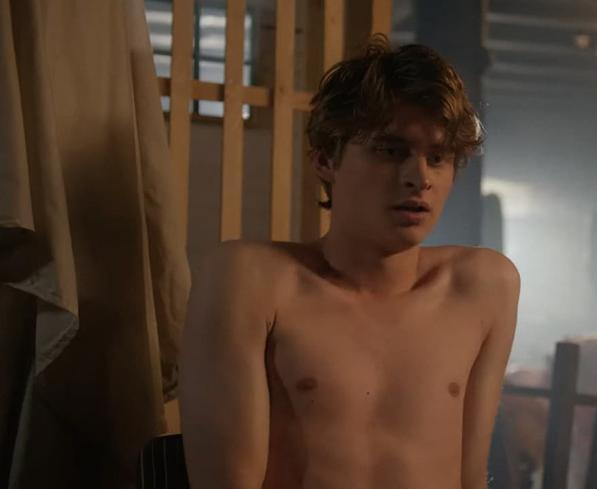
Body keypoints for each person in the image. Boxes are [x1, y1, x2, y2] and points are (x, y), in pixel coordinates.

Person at [179, 35, 520, 489]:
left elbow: (470, 477)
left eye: (438, 157)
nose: (419, 178)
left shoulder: (483, 286)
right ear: (326, 159)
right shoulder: (253, 280)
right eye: (391, 151)